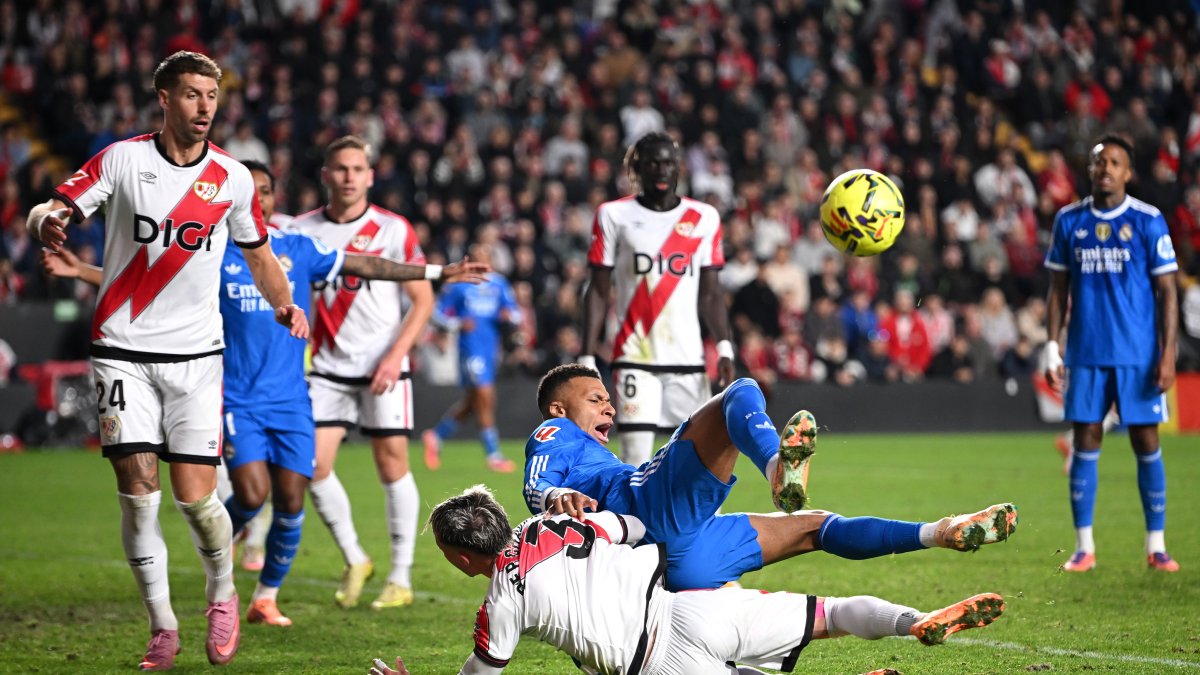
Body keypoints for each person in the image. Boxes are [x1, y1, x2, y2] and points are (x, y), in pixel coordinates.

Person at [41, 161, 487, 628]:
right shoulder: (209, 251)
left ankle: (266, 596)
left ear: (274, 199)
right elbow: (147, 284)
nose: (258, 200)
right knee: (252, 493)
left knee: (293, 497)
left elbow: (367, 264)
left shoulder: (296, 246)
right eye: (249, 192)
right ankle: (217, 557)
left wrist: (437, 270)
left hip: (293, 399)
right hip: (236, 398)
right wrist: (83, 272)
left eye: (266, 192)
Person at [23, 51, 309, 670]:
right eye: (191, 95)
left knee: (196, 499)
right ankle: (162, 624)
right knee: (138, 493)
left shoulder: (232, 179)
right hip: (121, 350)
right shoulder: (122, 159)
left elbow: (259, 254)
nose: (204, 107)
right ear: (163, 97)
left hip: (198, 358)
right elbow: (57, 206)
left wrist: (285, 305)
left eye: (211, 95)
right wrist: (49, 222)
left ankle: (223, 593)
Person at [367, 485, 1006, 675]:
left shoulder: (500, 596)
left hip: (656, 666)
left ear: (460, 558)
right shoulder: (559, 527)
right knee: (828, 613)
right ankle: (909, 621)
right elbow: (641, 531)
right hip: (689, 605)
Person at [524, 364, 1018, 592]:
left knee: (813, 527)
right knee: (740, 390)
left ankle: (940, 532)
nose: (608, 404)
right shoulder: (555, 430)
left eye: (608, 398)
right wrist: (555, 493)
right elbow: (535, 485)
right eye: (595, 398)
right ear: (559, 408)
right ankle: (776, 467)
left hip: (674, 559)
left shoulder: (591, 448)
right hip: (648, 510)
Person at [288, 135, 435, 610]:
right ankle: (355, 557)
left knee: (392, 466)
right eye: (341, 168)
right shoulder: (300, 229)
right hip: (327, 369)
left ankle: (401, 576)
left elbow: (423, 299)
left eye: (358, 169)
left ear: (370, 176)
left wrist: (396, 355)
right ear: (326, 175)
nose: (349, 177)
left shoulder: (394, 229)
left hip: (383, 367)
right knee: (311, 467)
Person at [1043, 134, 1181, 573]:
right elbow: (1057, 289)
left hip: (1138, 354)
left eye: (1115, 163)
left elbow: (1168, 292)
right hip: (1085, 352)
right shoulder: (1069, 221)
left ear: (1127, 172)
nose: (1106, 169)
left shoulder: (1148, 220)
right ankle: (1084, 548)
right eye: (1099, 162)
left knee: (1146, 440)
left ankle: (1156, 546)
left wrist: (1168, 352)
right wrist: (1052, 345)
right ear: (1090, 170)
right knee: (1085, 440)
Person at [582, 131, 735, 466]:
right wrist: (587, 352)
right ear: (636, 169)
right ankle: (637, 522)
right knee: (635, 460)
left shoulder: (704, 217)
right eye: (653, 163)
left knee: (700, 460)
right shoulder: (612, 215)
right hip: (634, 356)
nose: (662, 170)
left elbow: (710, 294)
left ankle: (704, 520)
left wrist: (724, 347)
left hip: (688, 359)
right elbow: (596, 288)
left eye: (669, 163)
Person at [422, 243, 522, 473]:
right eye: (476, 257)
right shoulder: (460, 286)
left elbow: (515, 312)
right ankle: (493, 454)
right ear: (469, 260)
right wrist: (457, 324)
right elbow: (436, 313)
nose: (481, 262)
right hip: (470, 349)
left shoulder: (499, 284)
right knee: (485, 395)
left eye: (484, 257)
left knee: (473, 402)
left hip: (491, 350)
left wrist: (509, 316)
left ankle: (436, 436)